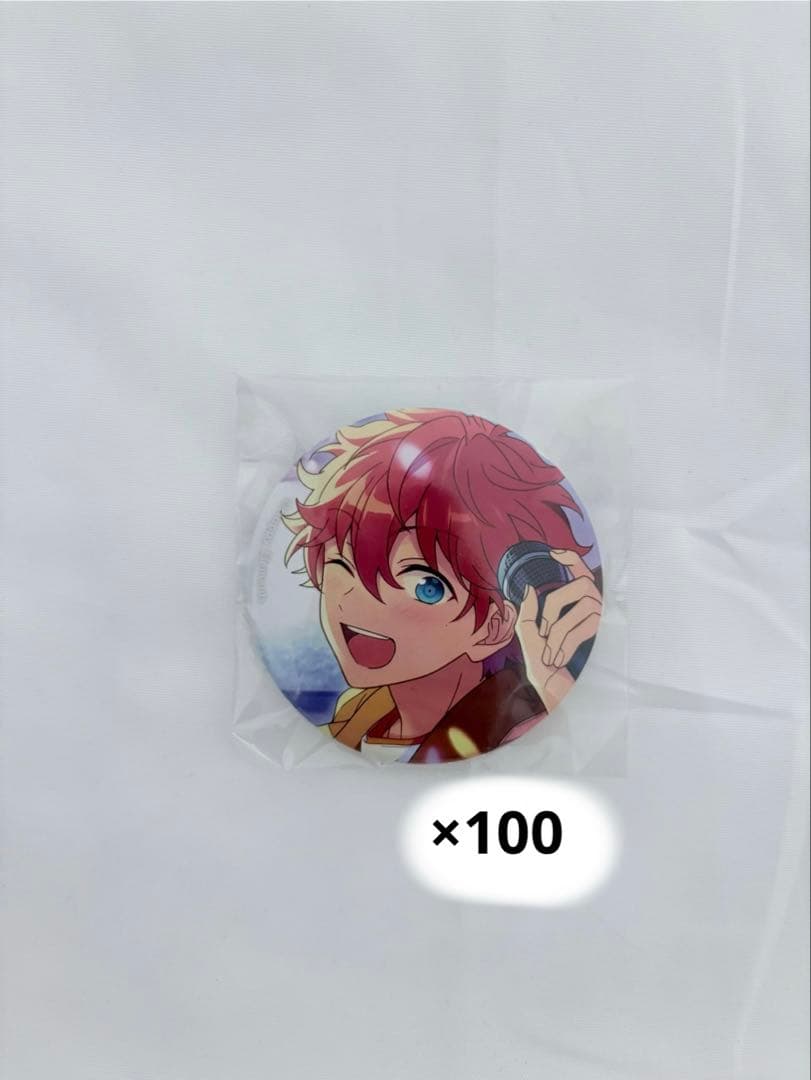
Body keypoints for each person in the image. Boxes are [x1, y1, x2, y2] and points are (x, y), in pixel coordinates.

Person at [283, 408, 602, 763]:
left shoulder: (511, 732)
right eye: (342, 564)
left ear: (494, 626)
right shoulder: (358, 715)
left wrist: (553, 688)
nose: (360, 604)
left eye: (427, 587)